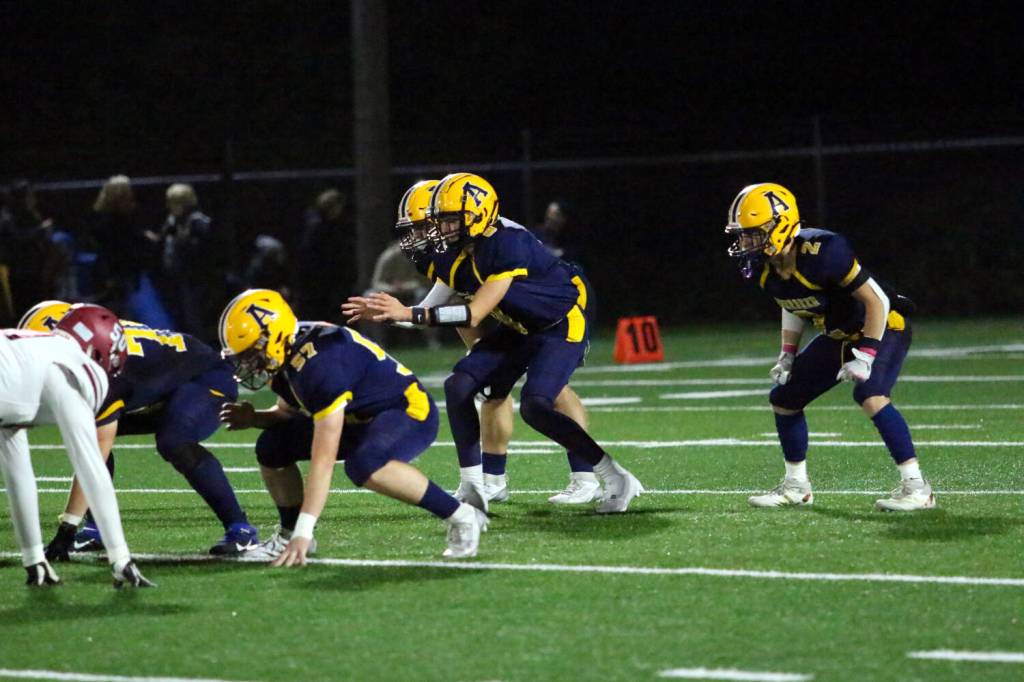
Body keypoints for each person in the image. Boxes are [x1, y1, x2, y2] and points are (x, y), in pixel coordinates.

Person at [360, 173, 642, 513]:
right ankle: (474, 485)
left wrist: (410, 314)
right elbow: (443, 303)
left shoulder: (504, 242)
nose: (430, 233)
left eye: (438, 223)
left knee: (539, 403)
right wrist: (395, 314)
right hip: (520, 322)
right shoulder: (450, 250)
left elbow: (474, 312)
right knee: (461, 384)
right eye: (430, 225)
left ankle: (610, 475)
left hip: (561, 316)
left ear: (475, 215)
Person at [218, 289, 488, 564]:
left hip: (405, 411)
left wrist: (306, 529)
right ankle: (287, 535)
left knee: (365, 464)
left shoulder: (320, 364)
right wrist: (255, 419)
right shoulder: (290, 351)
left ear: (274, 337)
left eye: (251, 353)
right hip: (358, 420)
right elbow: (287, 413)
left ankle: (461, 515)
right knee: (272, 446)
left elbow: (323, 458)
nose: (246, 363)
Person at [724, 182, 933, 511]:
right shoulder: (769, 269)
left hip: (884, 325)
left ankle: (917, 488)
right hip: (839, 335)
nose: (746, 242)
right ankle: (796, 487)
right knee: (785, 398)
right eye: (743, 235)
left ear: (780, 226)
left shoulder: (824, 252)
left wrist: (866, 355)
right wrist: (788, 354)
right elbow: (792, 303)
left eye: (753, 233)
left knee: (870, 394)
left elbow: (877, 299)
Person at [19, 301, 260, 557]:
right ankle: (97, 528)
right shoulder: (97, 346)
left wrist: (66, 529)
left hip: (206, 377)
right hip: (159, 386)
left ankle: (241, 530)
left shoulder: (107, 367)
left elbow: (96, 452)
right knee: (85, 435)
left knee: (174, 439)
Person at [0, 303, 152, 587]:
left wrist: (34, 557)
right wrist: (120, 556)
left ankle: (36, 564)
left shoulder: (28, 358)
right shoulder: (69, 362)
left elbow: (18, 471)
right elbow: (91, 467)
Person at [146, 184, 217, 338]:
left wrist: (182, 239)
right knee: (180, 315)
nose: (169, 206)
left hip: (193, 278)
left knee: (194, 316)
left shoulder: (197, 222)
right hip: (174, 276)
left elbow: (203, 249)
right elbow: (162, 239)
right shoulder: (173, 220)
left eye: (172, 202)